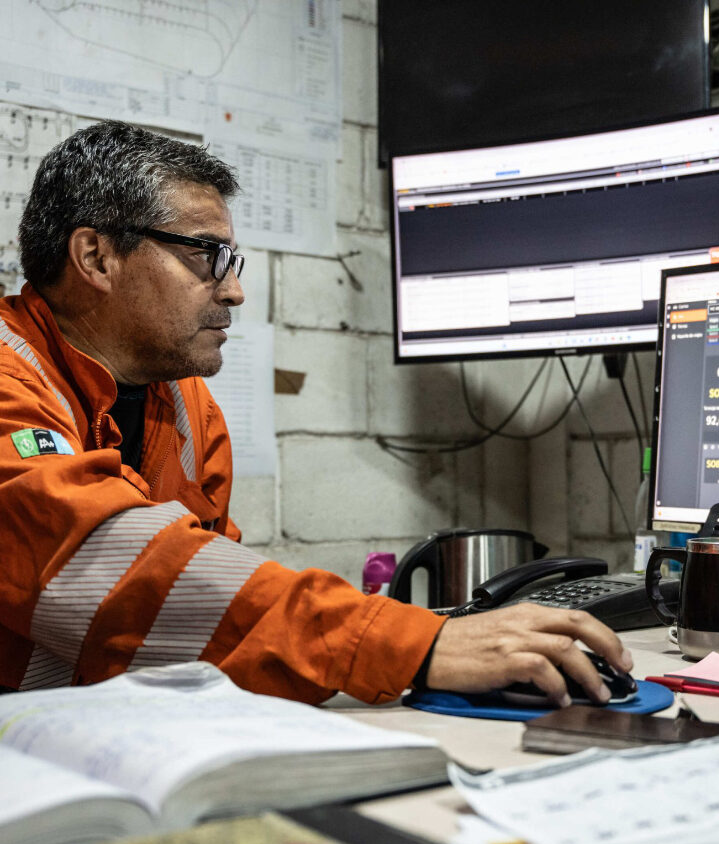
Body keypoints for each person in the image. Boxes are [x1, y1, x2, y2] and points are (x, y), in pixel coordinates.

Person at [0, 120, 631, 706]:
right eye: (206, 254)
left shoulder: (187, 406)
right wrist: (413, 644)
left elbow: (212, 600)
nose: (234, 290)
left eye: (232, 261)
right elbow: (106, 564)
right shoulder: (9, 379)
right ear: (96, 258)